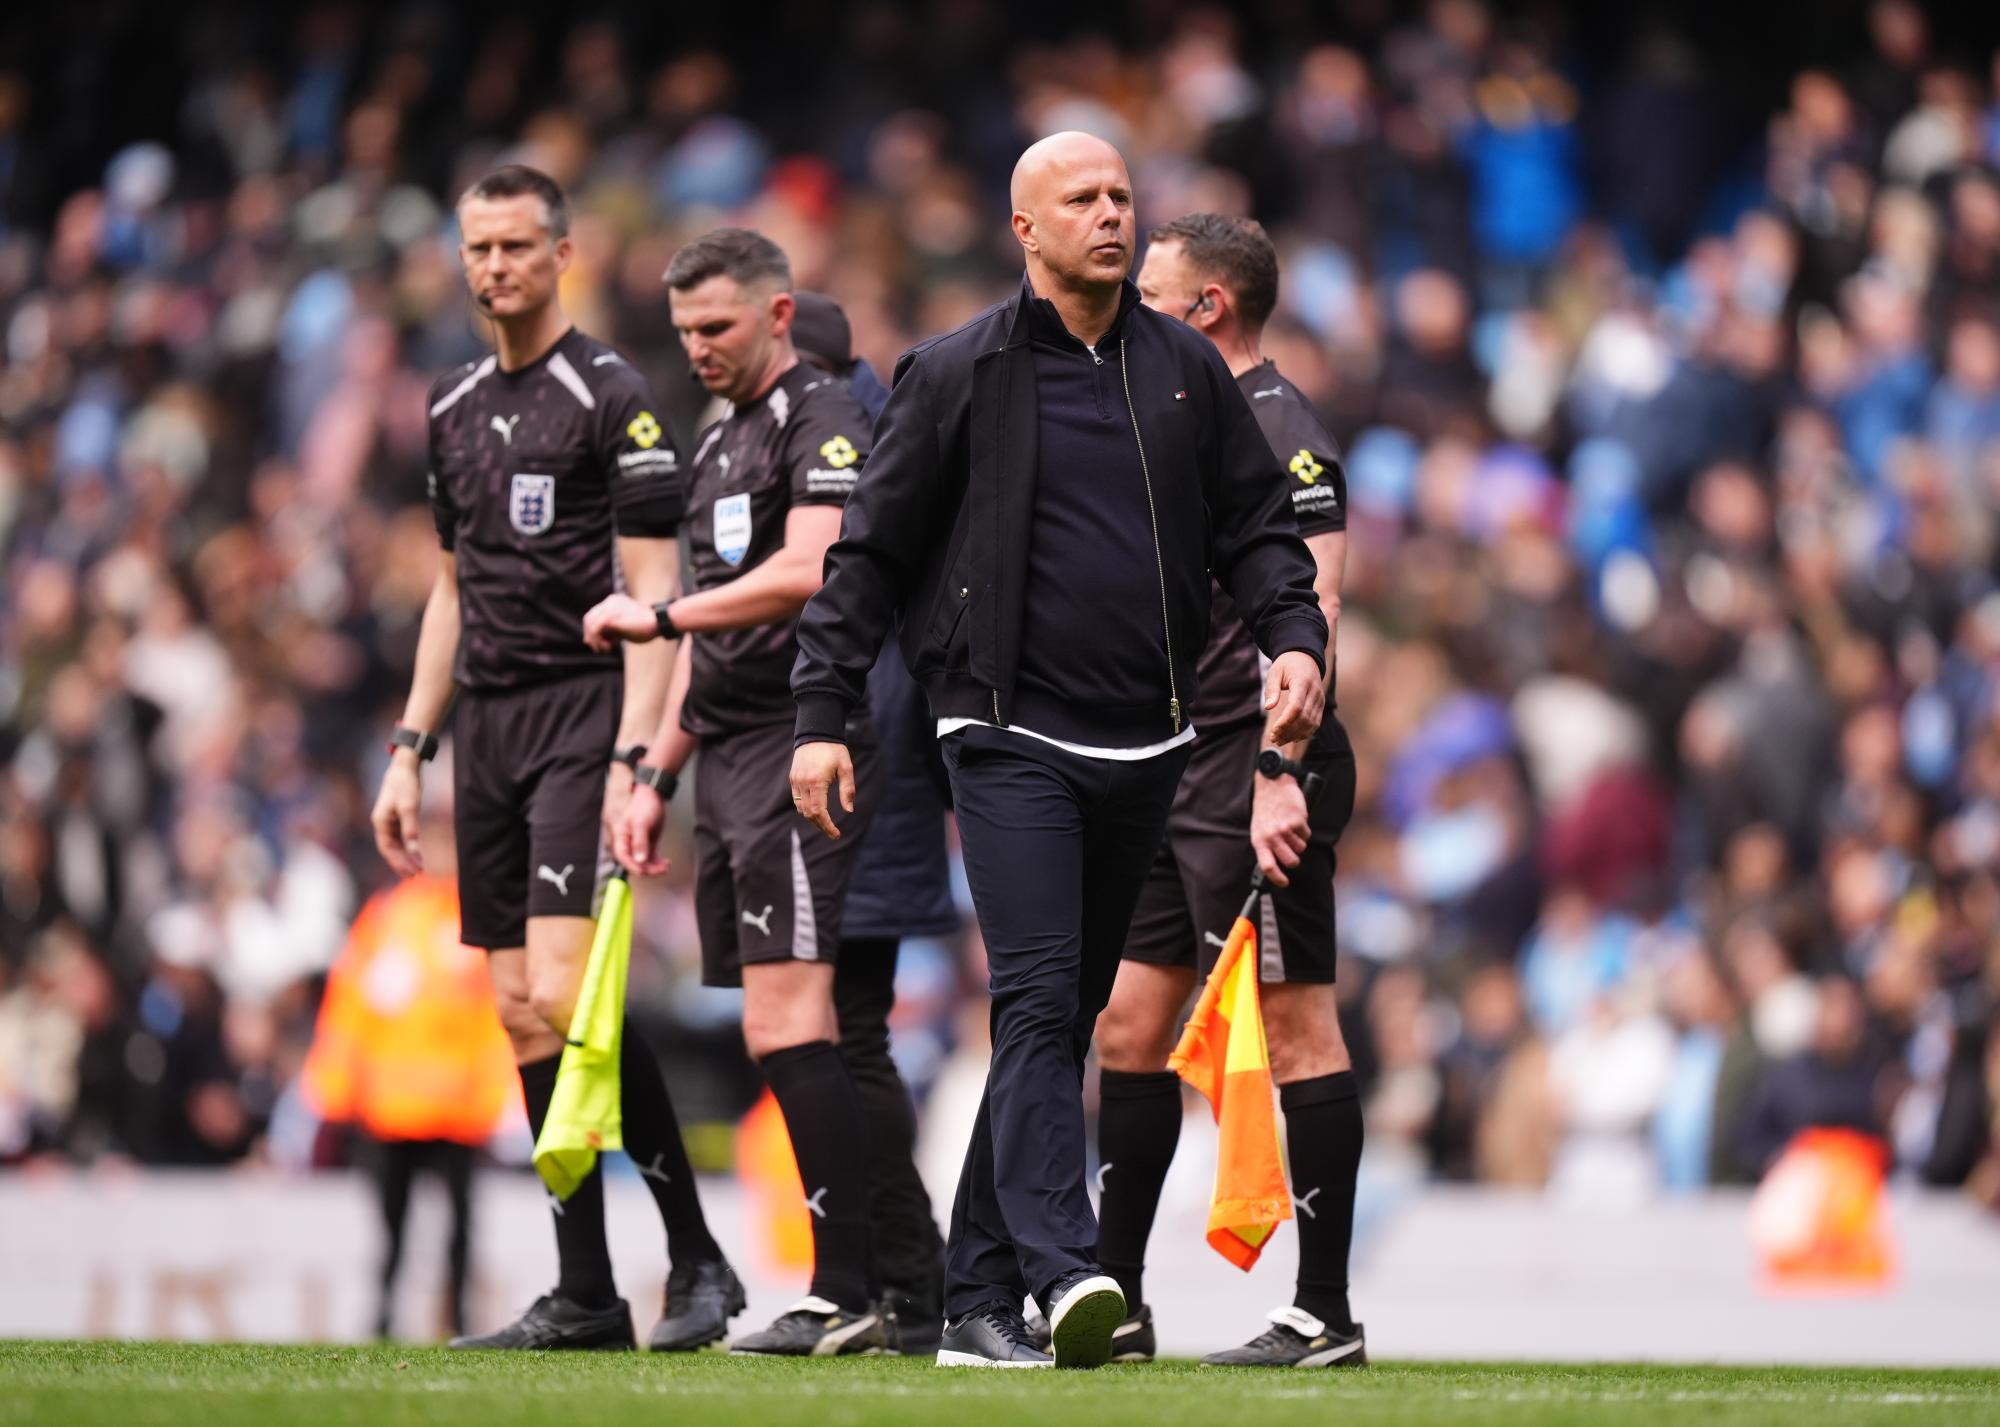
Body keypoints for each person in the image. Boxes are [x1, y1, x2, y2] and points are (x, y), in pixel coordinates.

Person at [787, 133, 1329, 1368]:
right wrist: (821, 712)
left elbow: (1259, 532)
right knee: (1035, 998)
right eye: (1079, 199)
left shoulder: (1185, 370)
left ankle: (974, 1301)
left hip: (1149, 738)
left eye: (1121, 196)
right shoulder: (956, 370)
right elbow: (862, 556)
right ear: (1023, 228)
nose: (1109, 214)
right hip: (1003, 729)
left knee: (1061, 1015)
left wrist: (1291, 637)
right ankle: (1064, 1263)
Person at [369, 164, 737, 1353]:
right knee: (525, 1018)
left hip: (586, 712)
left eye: (516, 246)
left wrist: (639, 756)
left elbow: (652, 591)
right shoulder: (451, 402)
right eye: (477, 248)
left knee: (566, 995)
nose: (494, 269)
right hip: (486, 724)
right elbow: (450, 586)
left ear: (562, 254)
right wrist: (408, 745)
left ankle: (695, 1255)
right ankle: (586, 1290)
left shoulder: (611, 395)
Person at [582, 232, 889, 1356]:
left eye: (716, 326)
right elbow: (717, 640)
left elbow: (813, 568)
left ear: (775, 312)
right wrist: (654, 771)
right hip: (731, 752)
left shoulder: (822, 415)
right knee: (775, 1025)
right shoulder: (720, 439)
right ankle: (850, 1286)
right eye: (683, 333)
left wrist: (657, 617)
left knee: (792, 1018)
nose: (698, 348)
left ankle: (848, 1288)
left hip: (806, 741)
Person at [1098, 209, 1367, 1370]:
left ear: (1207, 308)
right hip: (1169, 768)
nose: (1128, 312)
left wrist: (1276, 769)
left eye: (1149, 296)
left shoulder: (1282, 434)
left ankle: (1322, 1312)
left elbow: (1317, 620)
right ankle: (1114, 1293)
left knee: (1299, 1024)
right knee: (1125, 1024)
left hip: (1255, 770)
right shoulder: (1185, 420)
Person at [793, 291, 953, 1354]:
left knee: (844, 1026)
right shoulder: (874, 427)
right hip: (875, 747)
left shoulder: (845, 442)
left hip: (865, 750)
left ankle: (907, 1273)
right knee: (842, 1026)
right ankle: (900, 1274)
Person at [301, 802, 518, 1340]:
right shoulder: (388, 917)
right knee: (390, 1228)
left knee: (461, 1231)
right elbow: (350, 1005)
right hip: (391, 1104)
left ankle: (462, 1322)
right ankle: (381, 1319)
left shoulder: (476, 919)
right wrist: (334, 1084)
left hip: (457, 1106)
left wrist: (502, 1095)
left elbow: (497, 1016)